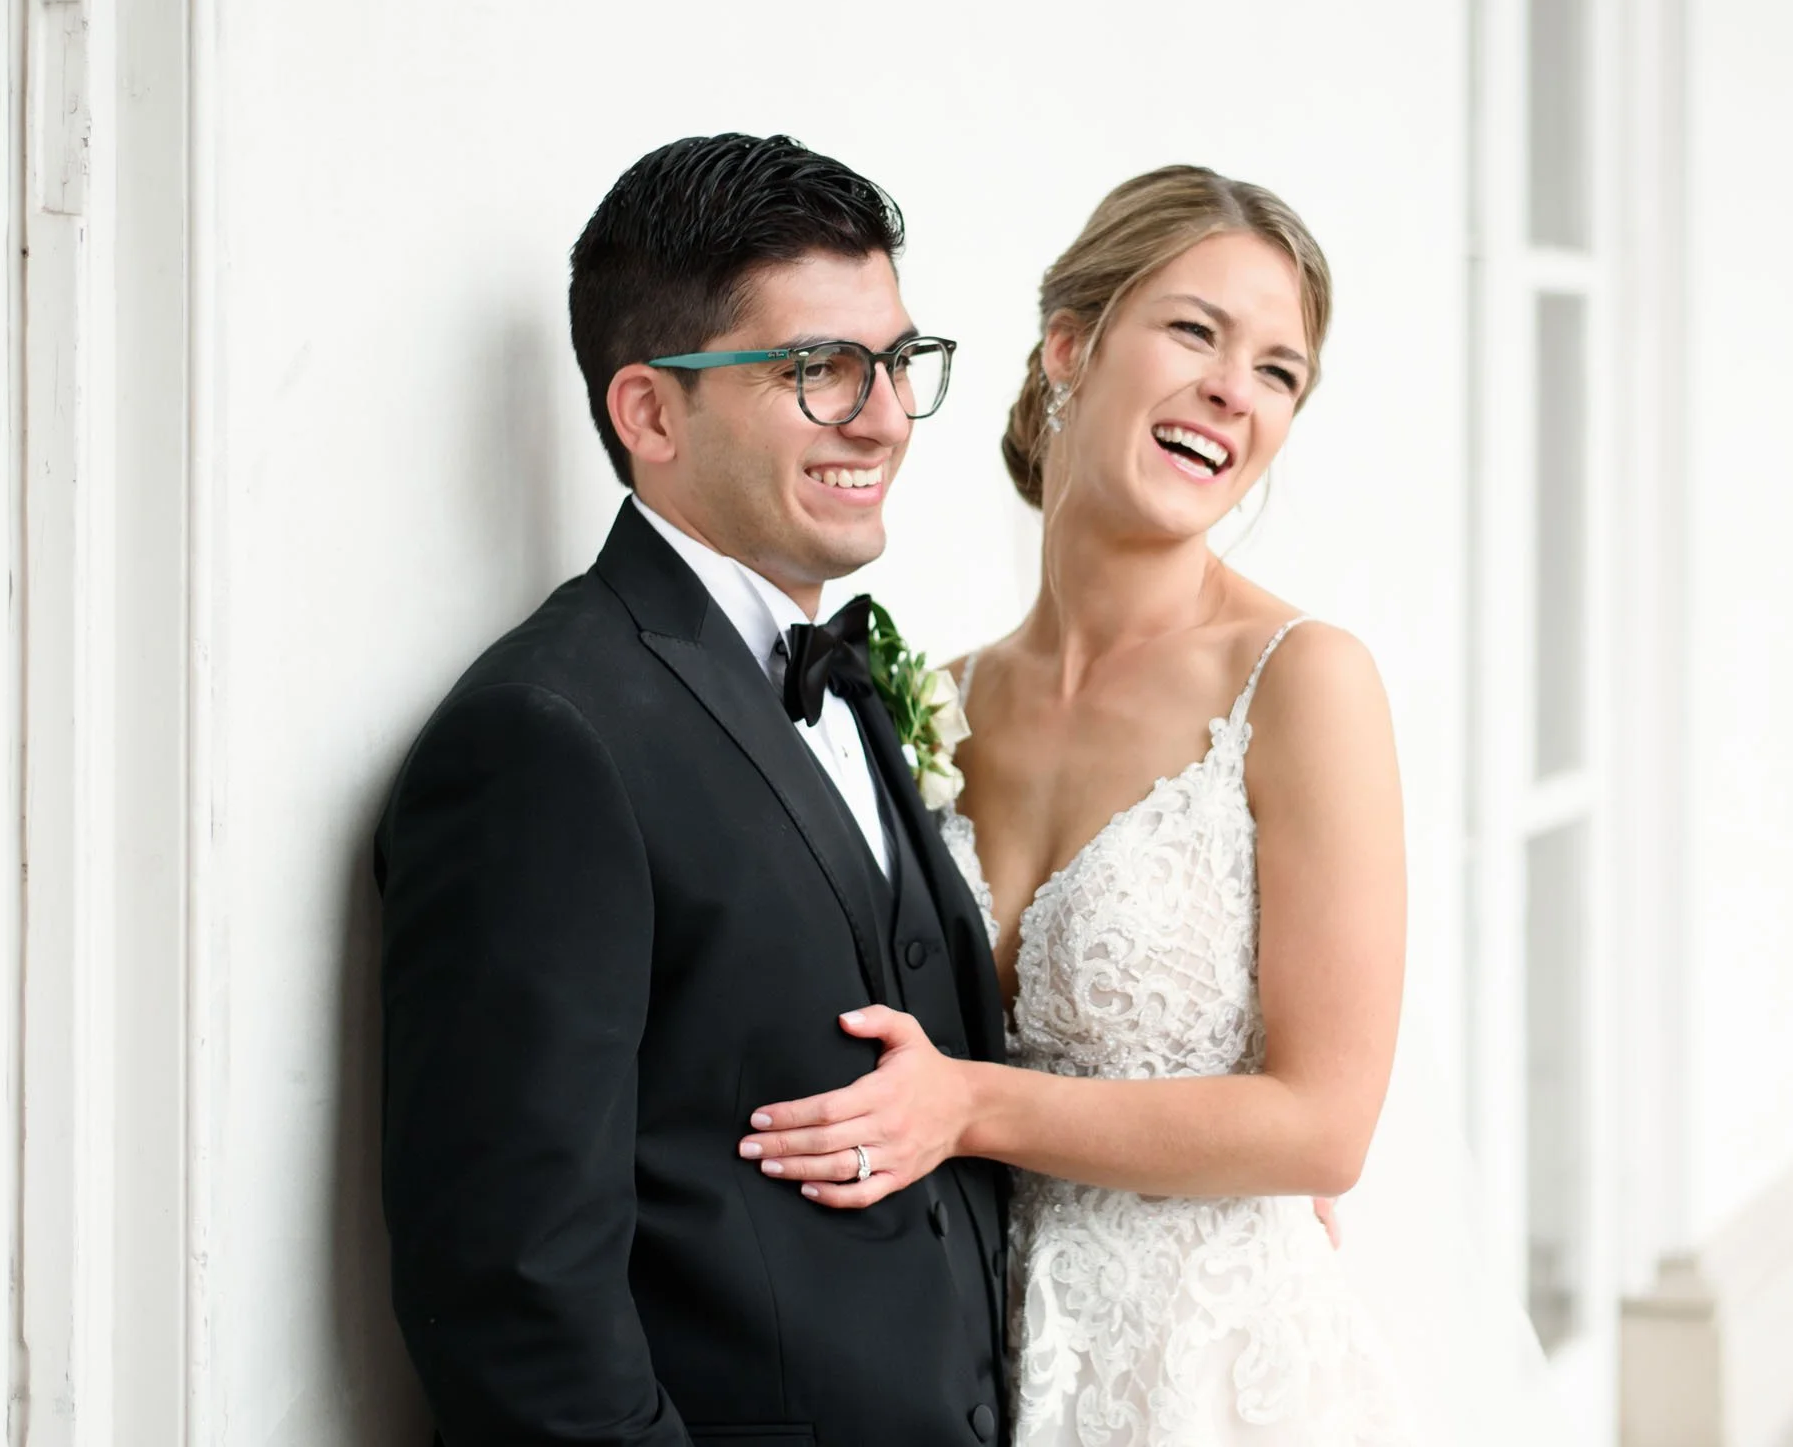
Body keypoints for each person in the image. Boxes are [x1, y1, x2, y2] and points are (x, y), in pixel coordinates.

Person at [738, 166, 1442, 1443]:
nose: (1237, 388)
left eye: (1280, 370)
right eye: (1196, 330)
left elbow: (1324, 1123)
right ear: (1068, 342)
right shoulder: (927, 704)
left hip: (1208, 1379)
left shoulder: (1301, 684)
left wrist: (973, 1105)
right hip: (971, 1360)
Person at [374, 133, 1011, 1446]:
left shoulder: (848, 680)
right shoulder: (543, 738)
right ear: (651, 412)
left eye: (895, 362)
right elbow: (514, 1292)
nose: (885, 415)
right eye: (820, 370)